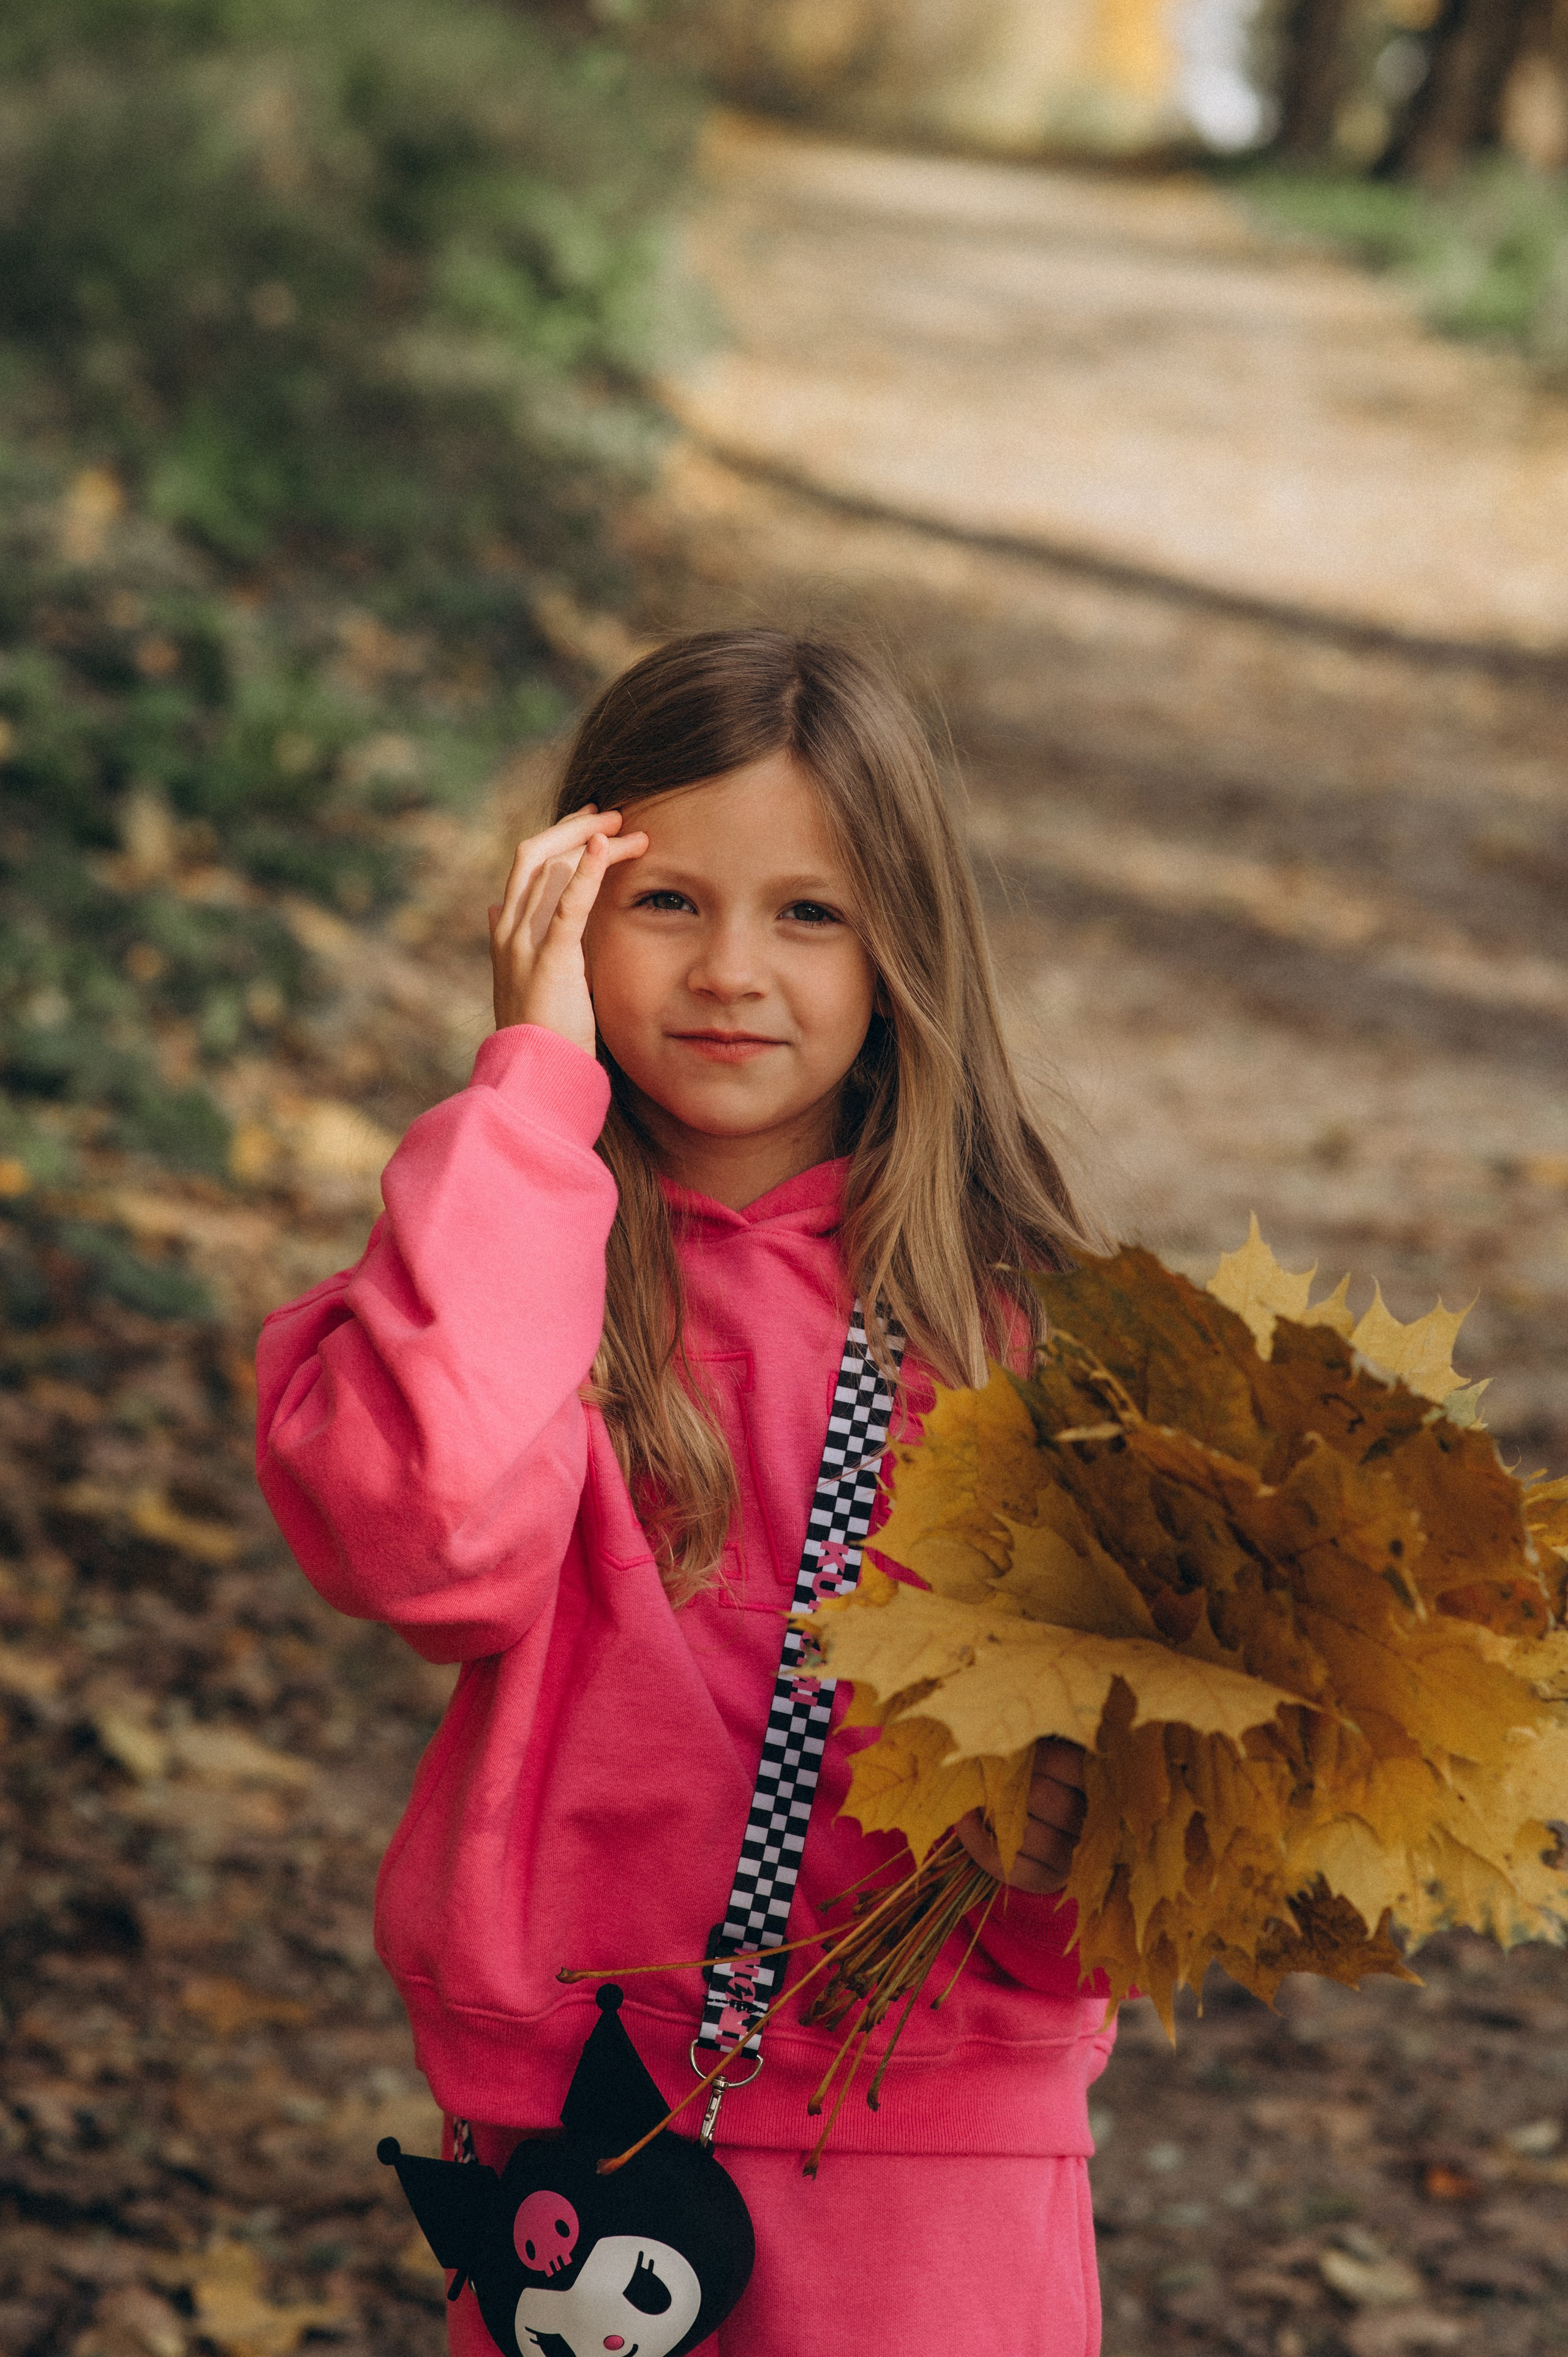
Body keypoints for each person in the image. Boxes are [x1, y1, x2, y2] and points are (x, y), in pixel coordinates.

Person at [257, 628, 1115, 2356]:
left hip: (929, 2143)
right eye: (666, 903)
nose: (733, 970)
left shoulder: (1019, 1337)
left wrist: (1057, 1862)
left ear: (905, 947)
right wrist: (530, 1095)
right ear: (565, 914)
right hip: (576, 2151)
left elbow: (1160, 1797)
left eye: (810, 913)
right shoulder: (504, 1258)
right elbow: (427, 1543)